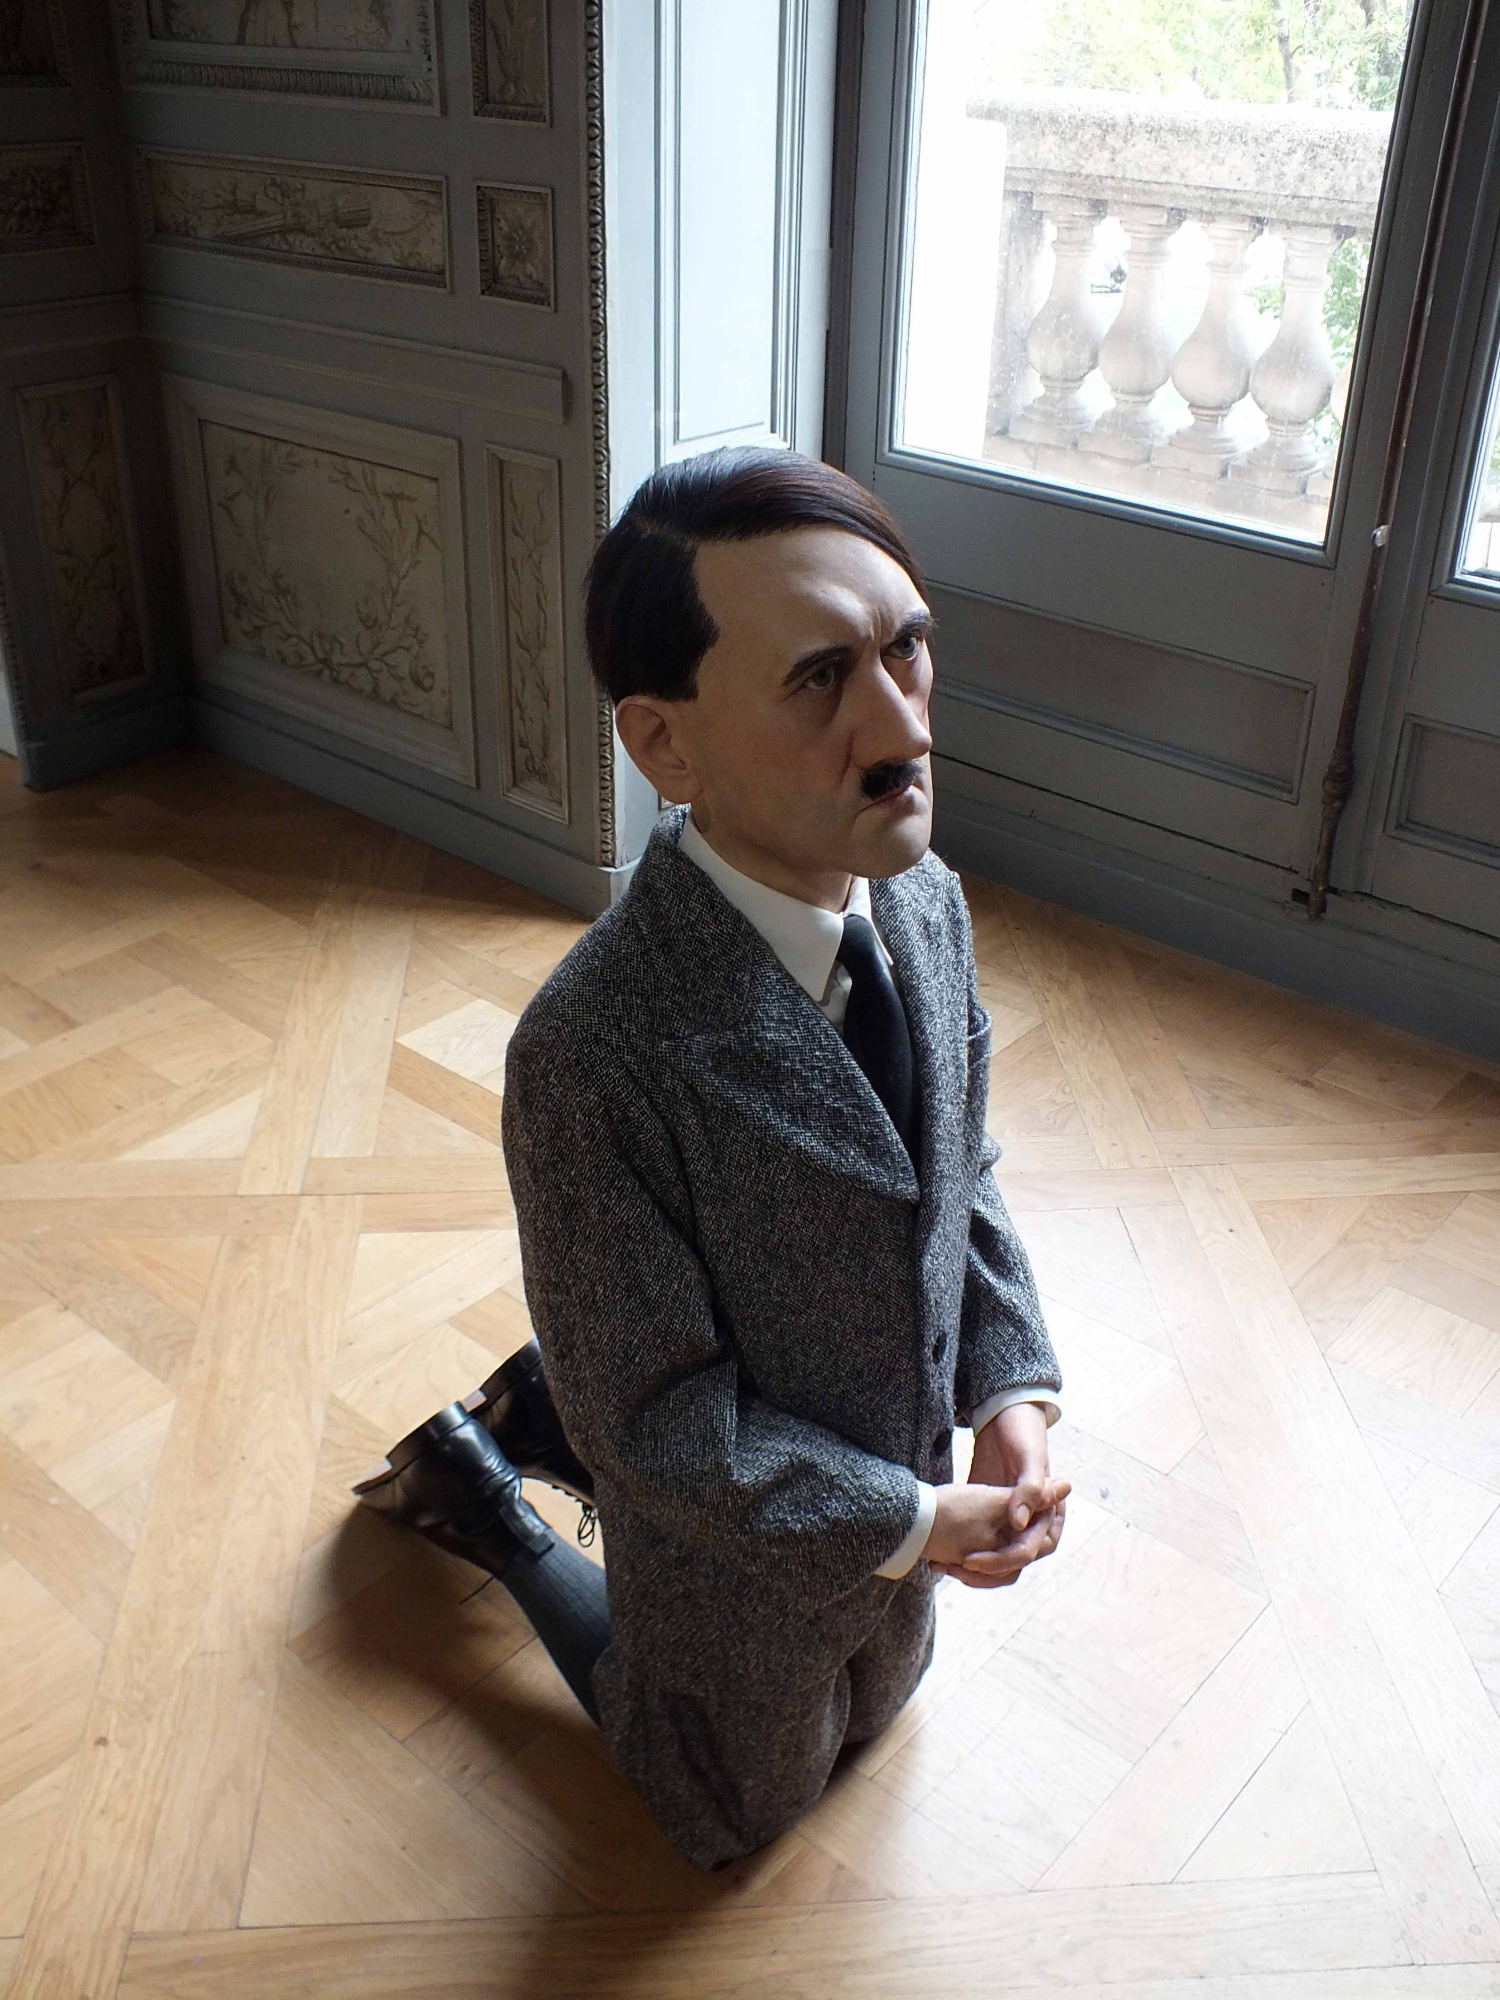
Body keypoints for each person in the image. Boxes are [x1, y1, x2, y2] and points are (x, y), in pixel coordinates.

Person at [356, 447, 1067, 1871]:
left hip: (884, 1505)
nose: (902, 726)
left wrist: (1012, 1387)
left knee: (879, 1703)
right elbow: (666, 1425)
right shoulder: (591, 1052)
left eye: (907, 648)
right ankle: (489, 1502)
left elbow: (961, 1176)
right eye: (819, 679)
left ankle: (559, 1385)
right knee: (735, 1806)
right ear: (664, 746)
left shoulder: (924, 901)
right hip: (734, 1544)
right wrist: (912, 1517)